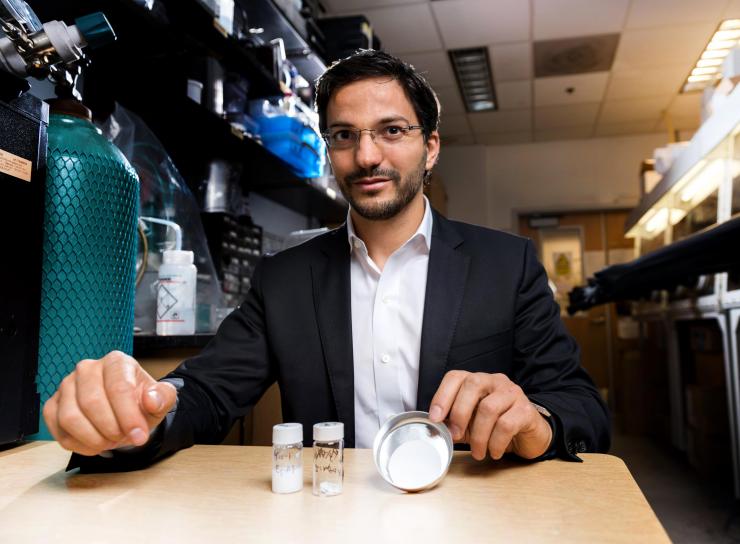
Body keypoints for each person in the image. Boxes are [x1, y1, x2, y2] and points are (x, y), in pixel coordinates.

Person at [44, 50, 610, 471]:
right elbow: (209, 393)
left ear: (430, 146)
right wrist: (141, 414)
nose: (367, 156)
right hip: (328, 517)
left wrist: (538, 424)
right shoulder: (285, 278)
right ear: (330, 149)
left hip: (470, 516)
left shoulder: (506, 265)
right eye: (344, 136)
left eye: (391, 131)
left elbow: (582, 407)